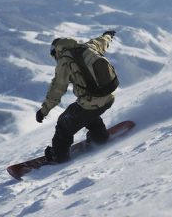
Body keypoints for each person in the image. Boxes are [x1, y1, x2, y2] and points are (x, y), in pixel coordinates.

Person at [36, 30, 117, 163]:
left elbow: (57, 89)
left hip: (90, 102)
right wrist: (108, 35)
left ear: (56, 51)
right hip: (108, 97)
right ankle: (100, 137)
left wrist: (43, 111)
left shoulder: (65, 61)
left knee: (63, 123)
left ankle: (58, 156)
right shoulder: (89, 46)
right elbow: (102, 41)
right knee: (87, 112)